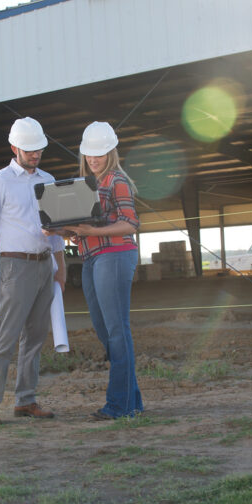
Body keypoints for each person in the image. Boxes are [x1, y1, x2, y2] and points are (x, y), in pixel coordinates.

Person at [0, 117, 66, 426]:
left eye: (38, 149)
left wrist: (61, 268)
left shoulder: (48, 179)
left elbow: (54, 229)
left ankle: (26, 400)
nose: (35, 154)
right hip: (15, 266)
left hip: (44, 265)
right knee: (7, 335)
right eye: (29, 150)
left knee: (36, 335)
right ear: (14, 147)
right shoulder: (0, 181)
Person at [64, 121, 143, 420]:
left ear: (111, 152)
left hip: (115, 254)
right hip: (91, 257)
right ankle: (132, 400)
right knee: (105, 330)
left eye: (99, 153)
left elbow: (130, 223)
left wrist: (93, 230)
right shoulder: (87, 185)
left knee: (116, 330)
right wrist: (70, 231)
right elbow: (90, 226)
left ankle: (118, 405)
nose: (93, 159)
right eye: (89, 154)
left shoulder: (116, 180)